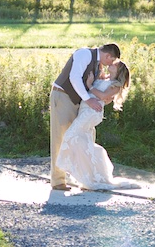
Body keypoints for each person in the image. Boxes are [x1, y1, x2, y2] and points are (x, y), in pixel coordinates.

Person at [49, 42, 120, 190]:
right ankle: (58, 180)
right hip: (63, 96)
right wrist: (88, 99)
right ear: (108, 56)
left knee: (83, 137)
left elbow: (93, 87)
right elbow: (74, 77)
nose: (109, 64)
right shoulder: (84, 54)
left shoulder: (98, 64)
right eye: (111, 61)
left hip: (80, 103)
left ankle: (84, 177)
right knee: (61, 136)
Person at [55, 60, 135, 191]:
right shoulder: (104, 77)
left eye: (115, 64)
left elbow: (103, 95)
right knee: (83, 140)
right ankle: (90, 173)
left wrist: (90, 85)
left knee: (71, 136)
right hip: (84, 109)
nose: (112, 64)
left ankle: (75, 169)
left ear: (119, 70)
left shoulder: (116, 85)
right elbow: (99, 64)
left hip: (92, 112)